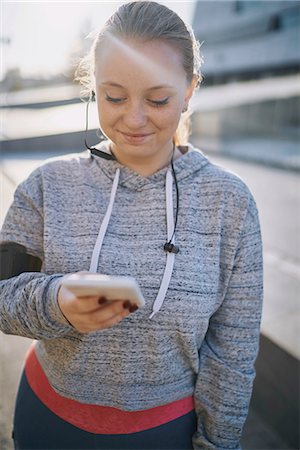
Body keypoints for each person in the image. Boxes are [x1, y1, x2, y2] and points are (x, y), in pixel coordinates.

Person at [0, 1, 263, 449]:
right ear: (93, 89)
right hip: (46, 419)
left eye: (158, 99)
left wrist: (218, 443)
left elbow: (233, 353)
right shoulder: (47, 185)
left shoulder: (230, 204)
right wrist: (56, 302)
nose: (134, 119)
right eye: (114, 96)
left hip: (165, 434)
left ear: (190, 90)